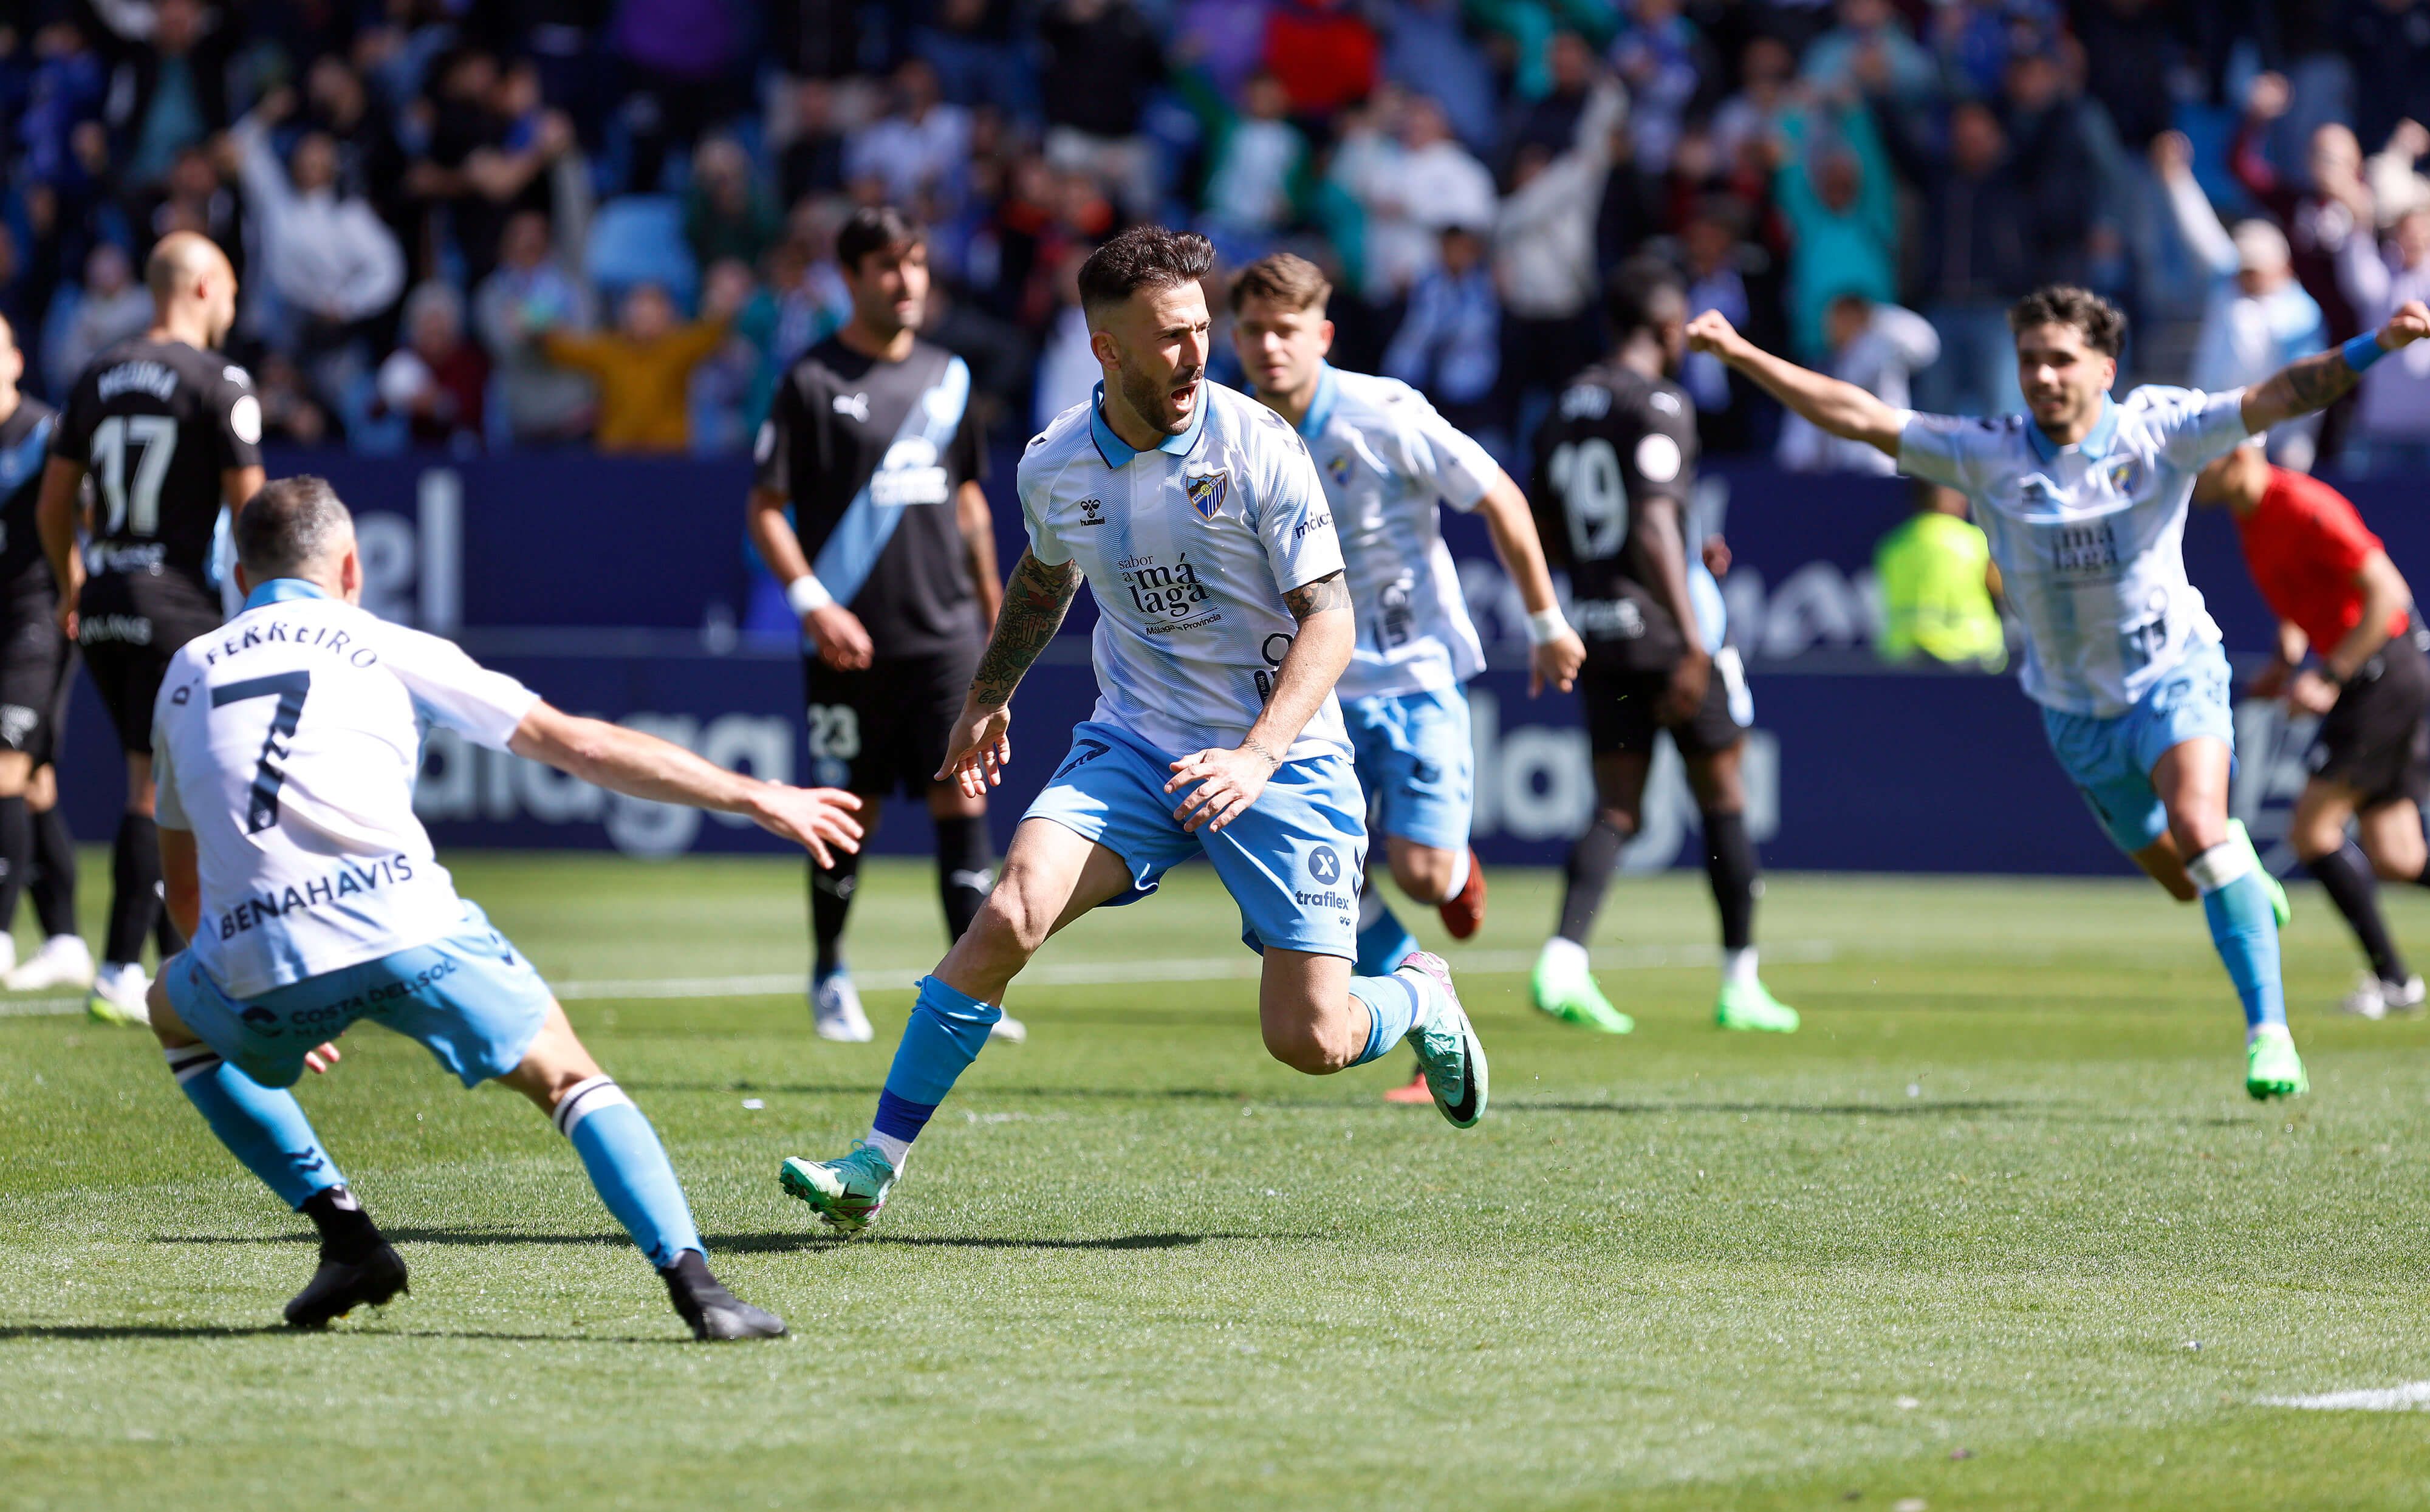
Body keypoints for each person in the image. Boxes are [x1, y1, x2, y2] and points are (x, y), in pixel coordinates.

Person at [776, 227, 1488, 1234]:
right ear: (1107, 350)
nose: (1197, 351)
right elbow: (1045, 574)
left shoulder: (1259, 447)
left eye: (1202, 329)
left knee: (1312, 1037)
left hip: (1280, 757)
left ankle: (1420, 996)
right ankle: (872, 1163)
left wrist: (1255, 754)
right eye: (1170, 336)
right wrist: (990, 691)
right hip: (1137, 740)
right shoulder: (1055, 461)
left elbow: (1331, 618)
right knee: (1009, 909)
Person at [143, 476, 864, 1338]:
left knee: (169, 1012)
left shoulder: (185, 673)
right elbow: (580, 744)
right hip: (405, 925)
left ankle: (346, 1234)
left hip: (256, 958)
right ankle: (698, 1287)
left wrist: (263, 984)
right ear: (350, 565)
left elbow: (185, 889)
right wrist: (754, 795)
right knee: (566, 1073)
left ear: (235, 572)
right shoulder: (384, 645)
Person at [1685, 282, 2430, 1098]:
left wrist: (2378, 345)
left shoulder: (2163, 432)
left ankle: (2269, 1035)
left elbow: (2282, 392)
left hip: (2173, 673)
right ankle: (2236, 871)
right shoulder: (1987, 452)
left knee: (2199, 828)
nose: (2043, 376)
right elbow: (1856, 415)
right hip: (2076, 711)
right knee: (2186, 880)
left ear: (2104, 368)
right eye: (2031, 361)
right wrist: (1745, 356)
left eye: (2061, 360)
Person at [1226, 251, 1583, 1106]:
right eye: (1254, 331)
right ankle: (1427, 1003)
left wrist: (1546, 622)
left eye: (1287, 330)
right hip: (1310, 693)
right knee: (1321, 878)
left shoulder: (1385, 412)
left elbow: (1499, 496)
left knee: (1422, 873)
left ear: (1324, 335)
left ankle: (1453, 876)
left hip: (1414, 671)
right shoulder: (1227, 430)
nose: (1271, 347)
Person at [745, 207, 1015, 1045]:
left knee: (959, 799)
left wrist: (995, 604)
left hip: (947, 637)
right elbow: (765, 507)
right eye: (889, 267)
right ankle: (829, 973)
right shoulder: (812, 380)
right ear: (853, 278)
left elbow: (968, 496)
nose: (907, 282)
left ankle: (968, 987)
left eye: (918, 264)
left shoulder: (950, 375)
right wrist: (813, 601)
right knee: (845, 807)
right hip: (849, 641)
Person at [1526, 259, 1799, 1039]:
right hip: (1663, 631)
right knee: (1723, 799)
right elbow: (1647, 523)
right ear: (1663, 325)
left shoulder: (1562, 408)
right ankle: (1740, 983)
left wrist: (1561, 611)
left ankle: (1563, 958)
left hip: (1598, 626)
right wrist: (1690, 638)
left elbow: (1545, 530)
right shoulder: (1659, 403)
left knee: (1616, 805)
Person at [36, 231, 264, 1026]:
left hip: (103, 604)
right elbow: (254, 515)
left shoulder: (96, 373)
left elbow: (53, 503)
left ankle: (176, 955)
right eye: (230, 288)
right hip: (176, 605)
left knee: (170, 778)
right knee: (158, 784)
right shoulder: (220, 379)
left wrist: (75, 582)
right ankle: (121, 968)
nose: (233, 305)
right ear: (202, 288)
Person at [2194, 443, 2428, 1019]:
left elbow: (2389, 595)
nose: (2189, 474)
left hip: (2383, 673)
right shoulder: (2252, 518)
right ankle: (2396, 982)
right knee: (2397, 856)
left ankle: (2394, 981)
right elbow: (2301, 596)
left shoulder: (2302, 503)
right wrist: (2285, 657)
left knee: (2311, 830)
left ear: (2238, 457)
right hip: (2371, 675)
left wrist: (2328, 675)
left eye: (2198, 458)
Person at [0, 310, 90, 989]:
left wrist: (77, 592)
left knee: (5, 767)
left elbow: (87, 516)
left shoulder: (44, 434)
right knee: (34, 784)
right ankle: (64, 938)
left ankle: (0, 937)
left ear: (16, 359)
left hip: (36, 614)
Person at [1873, 483, 2006, 671]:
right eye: (1953, 490)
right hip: (1970, 657)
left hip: (1904, 659)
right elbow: (2001, 591)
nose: (1962, 498)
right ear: (1935, 494)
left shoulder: (1892, 546)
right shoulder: (1975, 542)